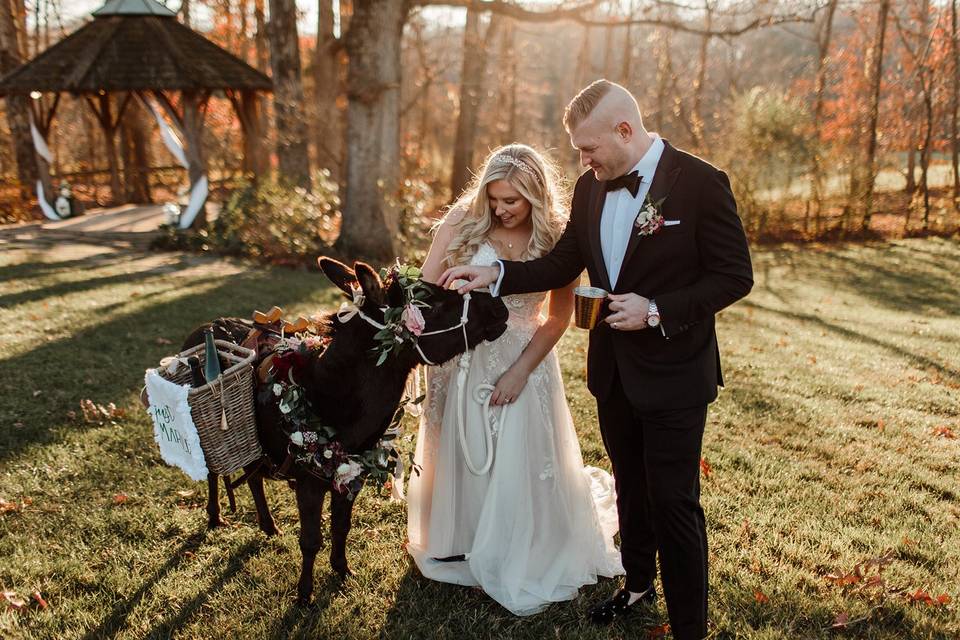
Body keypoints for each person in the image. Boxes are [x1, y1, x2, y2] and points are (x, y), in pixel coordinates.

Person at [439, 80, 754, 639]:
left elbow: (735, 277)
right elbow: (560, 265)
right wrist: (498, 274)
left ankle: (689, 627)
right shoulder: (590, 188)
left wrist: (657, 310)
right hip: (613, 374)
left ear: (625, 131)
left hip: (676, 373)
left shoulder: (702, 183)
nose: (581, 161)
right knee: (630, 486)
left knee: (674, 501)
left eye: (588, 148)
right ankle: (635, 584)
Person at [406, 143, 624, 616]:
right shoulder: (463, 221)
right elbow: (423, 290)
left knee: (514, 449)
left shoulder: (556, 237)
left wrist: (521, 371)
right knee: (461, 448)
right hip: (461, 358)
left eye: (513, 201)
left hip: (524, 358)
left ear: (535, 197)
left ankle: (513, 543)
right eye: (495, 199)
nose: (501, 210)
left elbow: (558, 318)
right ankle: (458, 537)